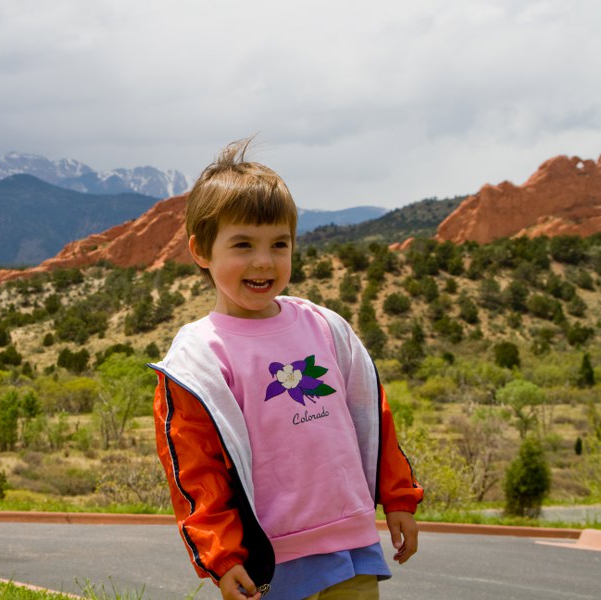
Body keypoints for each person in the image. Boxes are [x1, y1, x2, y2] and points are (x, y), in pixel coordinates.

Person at [150, 138, 423, 600]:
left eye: (279, 244)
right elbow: (196, 470)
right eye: (242, 245)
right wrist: (222, 555)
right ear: (201, 251)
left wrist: (397, 497)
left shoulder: (324, 326)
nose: (264, 261)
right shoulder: (198, 357)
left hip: (351, 542)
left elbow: (372, 415)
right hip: (270, 559)